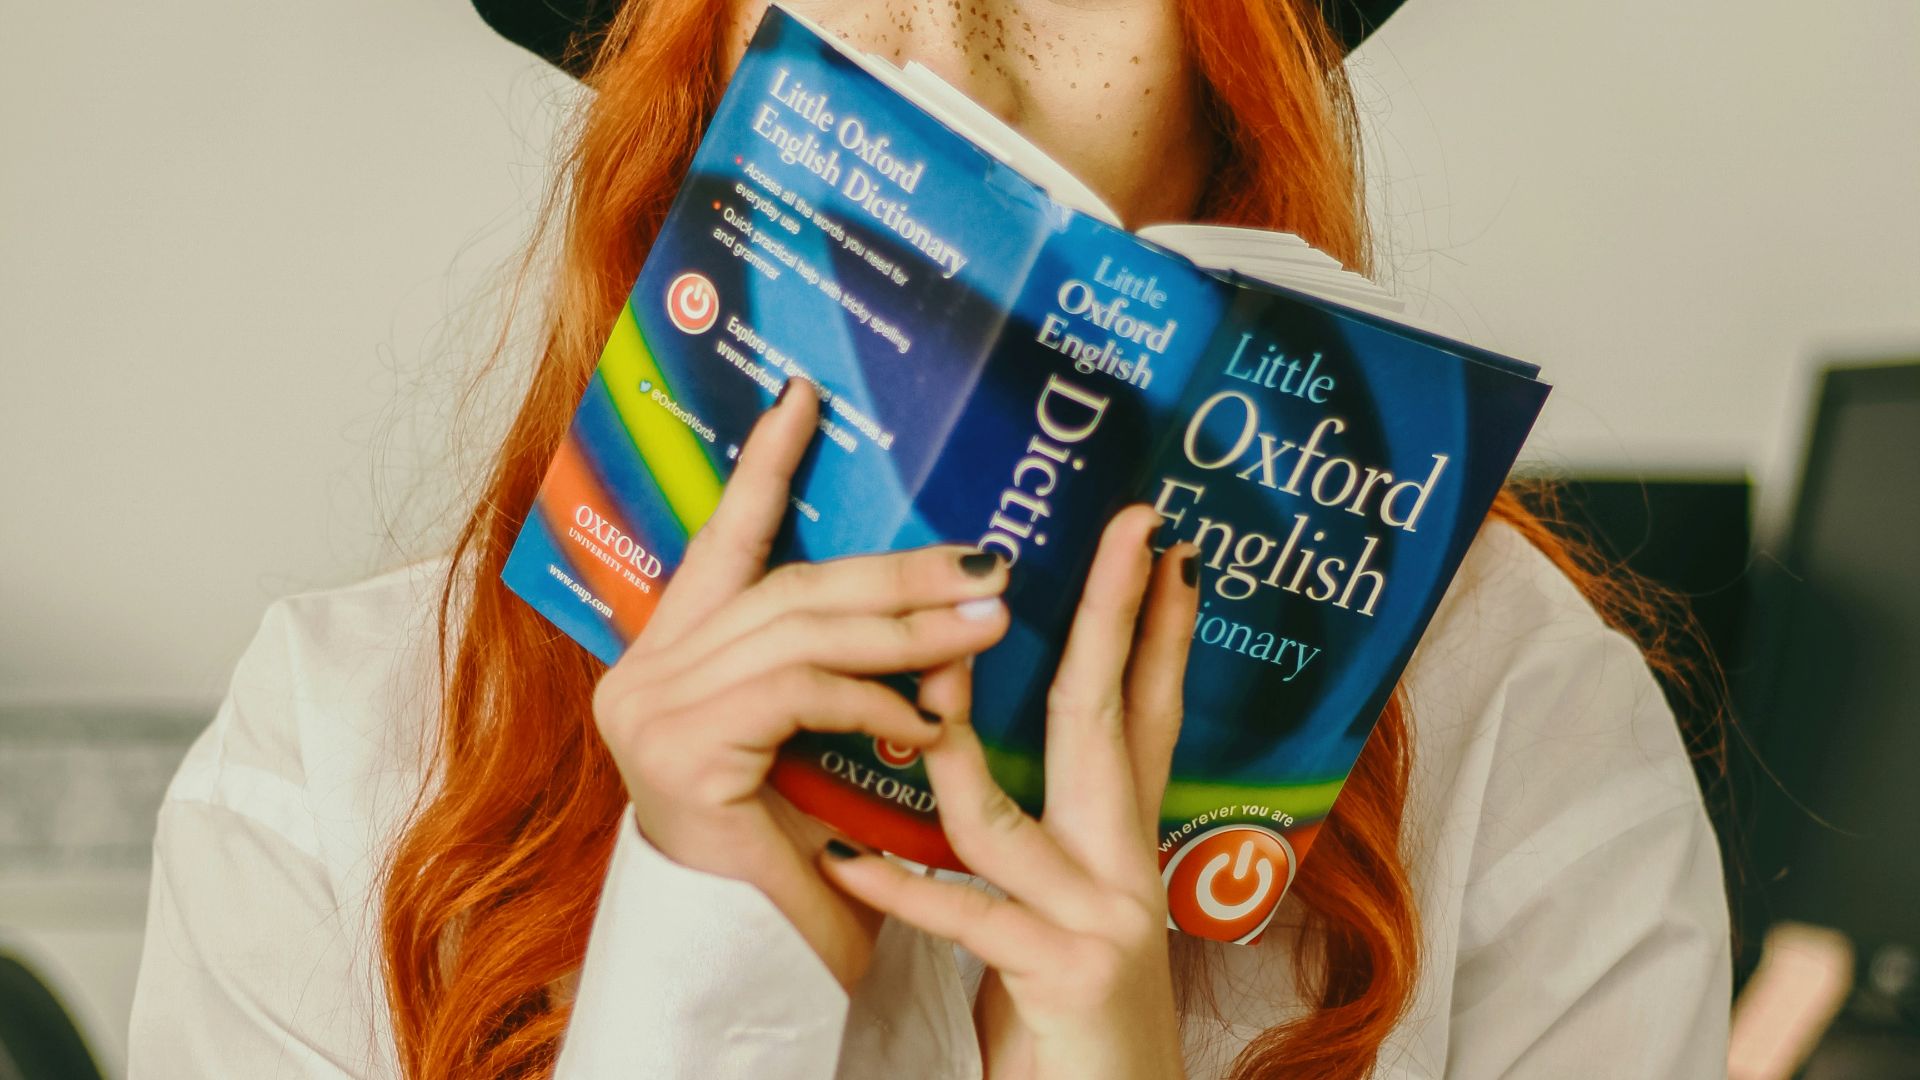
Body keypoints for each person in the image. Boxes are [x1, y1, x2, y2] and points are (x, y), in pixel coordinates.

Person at [127, 1, 1732, 1077]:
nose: (948, 75)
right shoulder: (333, 766)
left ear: (1229, 61)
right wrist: (700, 948)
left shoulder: (1521, 724)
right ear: (704, 55)